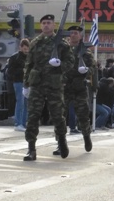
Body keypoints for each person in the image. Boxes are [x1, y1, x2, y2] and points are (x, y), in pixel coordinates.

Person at [22, 14, 74, 161]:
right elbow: (28, 64)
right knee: (33, 117)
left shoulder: (62, 43)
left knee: (58, 116)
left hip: (54, 84)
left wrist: (60, 65)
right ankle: (31, 149)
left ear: (54, 25)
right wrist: (26, 84)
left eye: (49, 23)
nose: (46, 25)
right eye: (43, 23)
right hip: (37, 84)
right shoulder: (35, 43)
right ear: (40, 26)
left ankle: (61, 141)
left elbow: (70, 61)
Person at [59, 25, 93, 154]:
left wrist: (87, 70)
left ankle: (86, 136)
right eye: (71, 33)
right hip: (65, 86)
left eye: (76, 33)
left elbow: (92, 68)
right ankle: (60, 142)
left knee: (83, 115)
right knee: (61, 116)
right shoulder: (63, 50)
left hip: (79, 87)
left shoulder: (85, 51)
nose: (73, 35)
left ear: (80, 36)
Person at [7, 39, 29, 132]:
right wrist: (21, 71)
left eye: (27, 49)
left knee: (25, 103)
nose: (26, 51)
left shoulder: (28, 57)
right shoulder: (15, 57)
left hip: (26, 82)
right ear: (20, 47)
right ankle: (18, 123)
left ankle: (23, 123)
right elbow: (10, 71)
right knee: (20, 102)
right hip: (18, 81)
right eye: (24, 49)